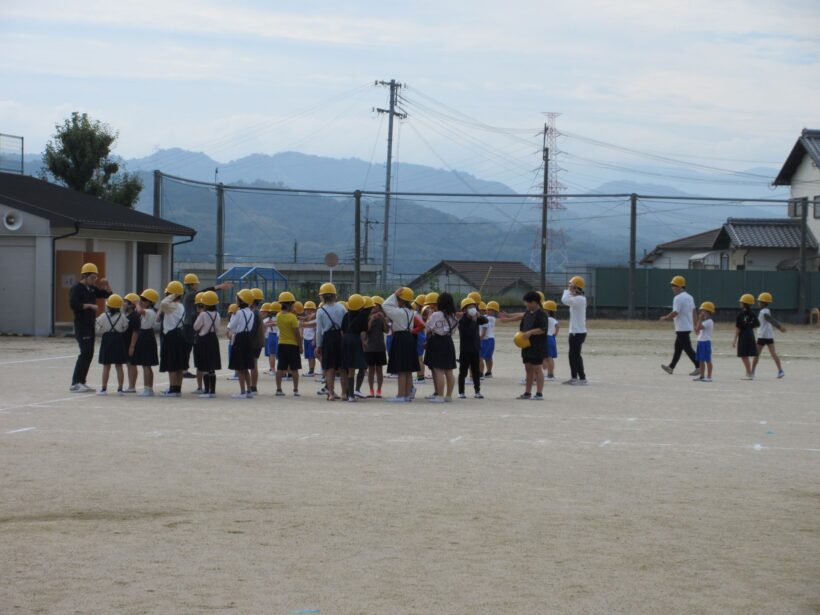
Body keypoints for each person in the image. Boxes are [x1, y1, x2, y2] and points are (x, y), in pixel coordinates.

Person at [69, 262, 112, 392]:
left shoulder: (92, 289)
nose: (94, 280)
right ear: (85, 276)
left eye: (95, 278)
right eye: (92, 277)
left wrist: (107, 284)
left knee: (90, 353)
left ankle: (82, 381)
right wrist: (89, 305)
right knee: (85, 352)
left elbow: (108, 295)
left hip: (90, 324)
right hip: (81, 325)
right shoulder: (76, 288)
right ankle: (75, 382)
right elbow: (73, 305)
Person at [180, 273, 231, 379]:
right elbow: (204, 293)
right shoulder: (190, 294)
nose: (197, 285)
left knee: (190, 348)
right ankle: (184, 370)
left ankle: (187, 369)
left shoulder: (190, 294)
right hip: (189, 325)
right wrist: (219, 287)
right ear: (191, 284)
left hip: (191, 324)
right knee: (187, 348)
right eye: (195, 284)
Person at [383, 287, 418, 402]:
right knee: (408, 369)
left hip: (400, 338)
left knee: (401, 369)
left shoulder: (398, 312)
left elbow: (385, 305)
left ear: (401, 300)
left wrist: (394, 294)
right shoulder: (412, 312)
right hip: (409, 338)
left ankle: (400, 395)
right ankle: (407, 394)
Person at [660, 275, 700, 376]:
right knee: (678, 348)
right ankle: (671, 367)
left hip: (682, 327)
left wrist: (666, 317)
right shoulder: (690, 297)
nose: (672, 287)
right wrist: (695, 324)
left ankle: (699, 366)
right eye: (672, 285)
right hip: (686, 327)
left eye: (674, 285)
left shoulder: (678, 298)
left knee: (688, 349)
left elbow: (675, 312)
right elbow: (694, 312)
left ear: (680, 286)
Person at [423, 292, 458, 403]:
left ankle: (439, 396)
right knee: (449, 371)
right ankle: (448, 396)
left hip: (437, 341)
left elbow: (427, 328)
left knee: (438, 370)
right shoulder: (454, 316)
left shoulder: (436, 315)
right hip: (448, 341)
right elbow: (453, 331)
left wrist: (428, 316)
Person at [315, 283, 346, 400]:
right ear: (334, 295)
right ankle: (344, 393)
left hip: (328, 338)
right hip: (340, 336)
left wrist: (318, 345)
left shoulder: (321, 310)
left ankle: (331, 393)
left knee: (329, 367)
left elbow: (319, 330)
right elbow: (345, 325)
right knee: (343, 367)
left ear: (322, 296)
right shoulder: (341, 307)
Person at [515, 291, 548, 399]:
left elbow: (543, 329)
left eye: (528, 303)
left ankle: (539, 393)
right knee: (528, 368)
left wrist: (530, 332)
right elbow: (522, 328)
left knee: (537, 368)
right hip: (526, 346)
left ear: (535, 302)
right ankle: (527, 393)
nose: (527, 305)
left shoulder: (542, 314)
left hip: (537, 346)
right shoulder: (527, 313)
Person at [158, 280, 188, 397]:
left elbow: (163, 303)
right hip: (180, 334)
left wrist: (172, 295)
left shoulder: (171, 306)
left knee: (172, 364)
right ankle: (177, 388)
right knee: (179, 365)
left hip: (171, 336)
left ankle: (172, 389)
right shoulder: (181, 306)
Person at [95, 293, 128, 395]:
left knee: (106, 366)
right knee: (119, 366)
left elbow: (97, 328)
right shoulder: (122, 316)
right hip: (118, 340)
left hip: (107, 340)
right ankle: (120, 389)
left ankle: (104, 389)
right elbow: (125, 327)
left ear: (108, 305)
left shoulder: (103, 316)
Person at [129, 288, 159, 397]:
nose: (141, 302)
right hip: (146, 335)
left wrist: (137, 304)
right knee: (146, 365)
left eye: (144, 300)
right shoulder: (150, 311)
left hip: (146, 336)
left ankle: (148, 388)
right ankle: (148, 388)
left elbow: (140, 311)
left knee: (146, 365)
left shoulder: (150, 311)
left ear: (150, 302)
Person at [457, 297, 488, 399]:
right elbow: (467, 333)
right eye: (470, 307)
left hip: (475, 348)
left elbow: (485, 320)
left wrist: (479, 316)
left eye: (474, 307)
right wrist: (474, 321)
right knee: (463, 372)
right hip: (465, 350)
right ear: (464, 310)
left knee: (476, 371)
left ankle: (477, 391)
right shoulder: (462, 321)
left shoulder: (476, 318)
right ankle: (461, 392)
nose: (473, 309)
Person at [227, 289, 256, 398]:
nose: (236, 299)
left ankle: (242, 392)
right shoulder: (252, 313)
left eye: (237, 298)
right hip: (248, 338)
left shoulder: (238, 312)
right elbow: (251, 326)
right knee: (246, 367)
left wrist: (233, 316)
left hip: (239, 338)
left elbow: (232, 327)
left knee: (240, 367)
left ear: (241, 300)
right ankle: (248, 391)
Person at [193, 290, 222, 398]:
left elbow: (195, 327)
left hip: (203, 339)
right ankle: (213, 391)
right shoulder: (217, 314)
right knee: (212, 366)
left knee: (204, 365)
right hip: (213, 339)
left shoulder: (203, 314)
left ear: (204, 303)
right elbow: (218, 328)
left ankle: (206, 391)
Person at [752, 292, 786, 378]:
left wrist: (779, 327)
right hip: (769, 336)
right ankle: (780, 370)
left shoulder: (763, 312)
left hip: (762, 336)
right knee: (773, 354)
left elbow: (770, 320)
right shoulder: (766, 310)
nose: (758, 303)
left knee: (756, 354)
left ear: (764, 303)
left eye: (759, 301)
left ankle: (752, 372)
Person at [340, 294, 368, 402]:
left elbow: (342, 331)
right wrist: (363, 342)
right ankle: (351, 395)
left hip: (345, 340)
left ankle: (348, 394)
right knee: (353, 368)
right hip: (355, 340)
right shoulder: (362, 316)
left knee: (347, 368)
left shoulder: (346, 315)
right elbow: (363, 334)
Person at [562, 276, 589, 386]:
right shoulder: (577, 299)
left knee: (576, 355)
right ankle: (574, 377)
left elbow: (564, 300)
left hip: (578, 333)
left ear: (576, 287)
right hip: (575, 331)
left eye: (571, 285)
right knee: (572, 355)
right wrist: (571, 290)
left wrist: (568, 290)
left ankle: (582, 378)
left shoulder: (580, 299)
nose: (569, 287)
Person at [275, 291, 302, 396]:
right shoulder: (292, 317)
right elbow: (296, 334)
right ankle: (295, 390)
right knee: (294, 369)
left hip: (281, 344)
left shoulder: (278, 315)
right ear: (290, 304)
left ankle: (278, 389)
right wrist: (300, 346)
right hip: (292, 345)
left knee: (280, 368)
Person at [364, 297, 388, 398]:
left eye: (376, 306)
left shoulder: (382, 317)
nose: (374, 308)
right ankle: (371, 390)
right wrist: (372, 319)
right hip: (369, 347)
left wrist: (385, 321)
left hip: (380, 347)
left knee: (379, 370)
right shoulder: (367, 317)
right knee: (370, 369)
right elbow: (366, 330)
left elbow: (386, 331)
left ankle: (379, 390)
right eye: (373, 306)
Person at [734, 293, 760, 380]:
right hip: (751, 334)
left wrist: (734, 339)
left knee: (743, 355)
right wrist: (750, 326)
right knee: (747, 354)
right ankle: (748, 372)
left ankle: (749, 373)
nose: (740, 303)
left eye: (741, 302)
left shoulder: (740, 315)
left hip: (744, 335)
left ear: (744, 303)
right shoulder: (752, 314)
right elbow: (757, 324)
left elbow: (738, 328)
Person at [121, 293, 142, 393]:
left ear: (131, 304)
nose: (123, 304)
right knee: (128, 364)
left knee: (132, 364)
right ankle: (130, 385)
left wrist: (132, 346)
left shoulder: (134, 316)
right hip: (126, 342)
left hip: (131, 343)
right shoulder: (126, 314)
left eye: (126, 302)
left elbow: (135, 331)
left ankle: (132, 386)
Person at [693, 301, 715, 382]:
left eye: (703, 311)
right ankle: (702, 376)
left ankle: (709, 377)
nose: (701, 312)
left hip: (705, 342)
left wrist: (699, 318)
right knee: (701, 360)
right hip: (701, 341)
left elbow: (698, 328)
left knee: (707, 360)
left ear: (708, 312)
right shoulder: (704, 321)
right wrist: (699, 320)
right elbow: (696, 329)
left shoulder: (709, 322)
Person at [480, 300, 498, 378]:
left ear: (494, 311)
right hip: (485, 339)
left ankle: (482, 373)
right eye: (487, 309)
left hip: (487, 340)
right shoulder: (486, 317)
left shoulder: (491, 318)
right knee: (488, 357)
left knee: (481, 357)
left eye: (489, 309)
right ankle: (488, 372)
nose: (487, 310)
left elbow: (482, 318)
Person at [543, 299, 560, 381]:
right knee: (550, 357)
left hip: (546, 338)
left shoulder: (547, 319)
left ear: (548, 310)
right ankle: (551, 374)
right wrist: (555, 334)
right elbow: (558, 326)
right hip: (551, 338)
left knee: (548, 357)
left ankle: (550, 375)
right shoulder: (554, 319)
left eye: (544, 308)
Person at [301, 300, 318, 377]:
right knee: (308, 356)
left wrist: (314, 340)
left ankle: (312, 371)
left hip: (311, 339)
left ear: (313, 310)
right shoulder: (305, 319)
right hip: (306, 339)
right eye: (306, 309)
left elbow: (316, 331)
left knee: (312, 356)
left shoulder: (315, 319)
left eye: (309, 309)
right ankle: (310, 370)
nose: (307, 311)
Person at [263, 302, 279, 374]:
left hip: (272, 335)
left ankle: (272, 369)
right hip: (278, 336)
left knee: (271, 354)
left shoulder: (267, 319)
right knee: (276, 354)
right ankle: (274, 369)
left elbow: (263, 328)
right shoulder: (280, 317)